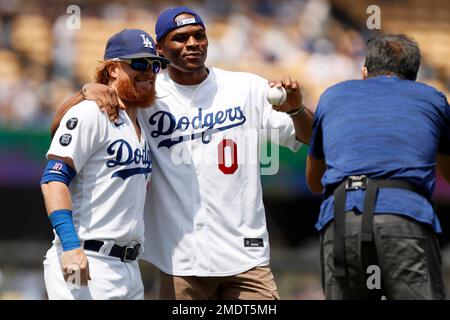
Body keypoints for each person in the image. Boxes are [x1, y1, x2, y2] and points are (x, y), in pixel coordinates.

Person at [50, 7, 313, 300]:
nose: (192, 43)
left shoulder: (245, 87)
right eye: (181, 38)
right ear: (161, 48)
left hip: (246, 257)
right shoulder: (147, 95)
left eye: (199, 36)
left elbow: (309, 137)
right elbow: (63, 129)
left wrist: (297, 109)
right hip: (181, 262)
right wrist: (85, 92)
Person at [306, 34, 450, 300]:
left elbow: (315, 182)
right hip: (405, 217)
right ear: (413, 76)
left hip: (341, 218)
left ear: (364, 72)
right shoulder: (432, 98)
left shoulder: (331, 96)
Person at [40, 29, 170, 299]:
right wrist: (71, 247)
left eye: (155, 65)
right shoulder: (91, 112)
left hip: (130, 268)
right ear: (112, 69)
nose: (149, 71)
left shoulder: (142, 121)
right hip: (85, 260)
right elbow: (53, 180)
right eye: (138, 63)